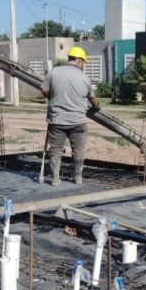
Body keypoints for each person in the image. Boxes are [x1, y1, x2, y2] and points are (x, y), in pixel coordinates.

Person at [40, 46, 98, 186]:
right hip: (77, 122)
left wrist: (53, 97)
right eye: (83, 62)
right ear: (78, 61)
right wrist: (96, 106)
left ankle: (55, 179)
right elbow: (92, 98)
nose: (83, 65)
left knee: (55, 150)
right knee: (78, 151)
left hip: (57, 121)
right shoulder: (84, 78)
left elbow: (43, 89)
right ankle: (78, 178)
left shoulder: (54, 72)